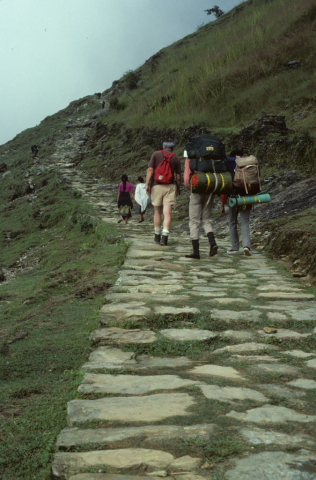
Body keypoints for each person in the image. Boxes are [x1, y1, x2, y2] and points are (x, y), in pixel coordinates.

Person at [221, 149, 257, 256]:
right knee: (245, 222)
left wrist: (223, 203)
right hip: (247, 196)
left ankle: (235, 247)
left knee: (232, 222)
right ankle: (246, 246)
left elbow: (225, 184)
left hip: (234, 197)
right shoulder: (250, 163)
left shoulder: (230, 163)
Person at [145, 139, 181, 246]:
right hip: (170, 187)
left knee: (157, 212)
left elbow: (150, 169)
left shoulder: (156, 154)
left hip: (156, 185)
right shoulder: (175, 158)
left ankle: (157, 236)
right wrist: (178, 188)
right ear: (173, 147)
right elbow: (178, 177)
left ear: (163, 146)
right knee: (167, 213)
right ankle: (164, 238)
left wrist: (147, 184)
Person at [183, 151, 218, 259]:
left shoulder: (191, 159)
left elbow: (186, 179)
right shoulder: (211, 158)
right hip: (210, 189)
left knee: (194, 221)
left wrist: (191, 188)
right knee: (205, 219)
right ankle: (212, 243)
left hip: (197, 190)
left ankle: (196, 251)